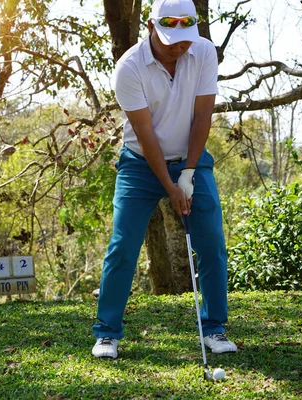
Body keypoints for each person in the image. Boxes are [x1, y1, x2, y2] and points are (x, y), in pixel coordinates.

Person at [92, 0, 237, 359]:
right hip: (141, 163)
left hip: (191, 158)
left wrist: (187, 174)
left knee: (212, 242)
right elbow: (145, 134)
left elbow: (203, 116)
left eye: (185, 38)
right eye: (172, 39)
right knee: (123, 245)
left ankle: (214, 328)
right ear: (150, 27)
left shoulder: (203, 52)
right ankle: (107, 333)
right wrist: (169, 187)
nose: (179, 46)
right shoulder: (128, 68)